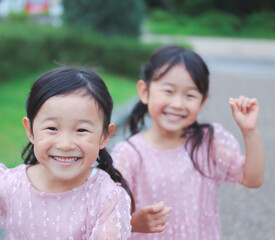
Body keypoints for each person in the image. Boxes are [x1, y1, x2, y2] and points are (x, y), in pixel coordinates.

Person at [111, 46, 265, 240]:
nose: (178, 104)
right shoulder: (128, 154)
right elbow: (109, 216)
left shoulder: (208, 143)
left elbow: (252, 179)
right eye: (168, 91)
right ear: (145, 91)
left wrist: (250, 132)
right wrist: (133, 223)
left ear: (202, 101)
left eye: (190, 95)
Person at [0, 66, 133, 240]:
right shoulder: (9, 185)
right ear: (30, 130)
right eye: (52, 128)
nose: (65, 144)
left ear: (104, 136)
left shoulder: (107, 197)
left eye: (81, 130)